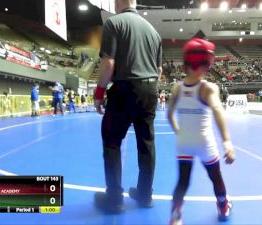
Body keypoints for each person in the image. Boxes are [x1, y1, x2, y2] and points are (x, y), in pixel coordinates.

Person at [93, 0, 162, 214]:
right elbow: (158, 70)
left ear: (118, 3)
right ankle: (145, 195)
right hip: (150, 90)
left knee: (112, 143)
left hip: (124, 89)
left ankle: (114, 199)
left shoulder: (114, 23)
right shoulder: (154, 32)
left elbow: (109, 63)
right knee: (146, 144)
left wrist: (99, 93)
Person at [167, 38, 235, 224]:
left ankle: (175, 217)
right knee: (216, 177)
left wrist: (179, 132)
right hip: (204, 143)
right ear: (205, 63)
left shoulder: (177, 88)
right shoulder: (208, 88)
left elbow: (169, 115)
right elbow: (218, 111)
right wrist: (227, 143)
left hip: (184, 142)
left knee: (183, 181)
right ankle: (223, 206)